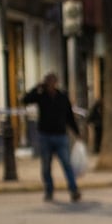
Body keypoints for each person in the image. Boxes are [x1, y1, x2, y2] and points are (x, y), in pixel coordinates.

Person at [22, 72, 82, 202]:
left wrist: (77, 133)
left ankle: (73, 189)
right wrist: (36, 88)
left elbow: (69, 116)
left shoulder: (62, 97)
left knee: (66, 164)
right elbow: (25, 100)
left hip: (60, 136)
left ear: (56, 83)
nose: (50, 84)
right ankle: (49, 190)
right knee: (46, 166)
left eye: (52, 81)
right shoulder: (41, 96)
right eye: (47, 82)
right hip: (45, 136)